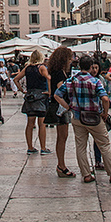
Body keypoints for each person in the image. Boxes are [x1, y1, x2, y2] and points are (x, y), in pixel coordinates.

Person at [55, 55, 111, 184]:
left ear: (79, 66)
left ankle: (86, 175)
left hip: (77, 117)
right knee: (104, 145)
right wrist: (105, 112)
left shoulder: (71, 80)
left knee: (81, 147)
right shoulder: (94, 81)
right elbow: (105, 99)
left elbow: (57, 94)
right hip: (94, 118)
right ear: (90, 66)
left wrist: (68, 107)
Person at [46, 46, 76, 178]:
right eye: (70, 58)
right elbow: (60, 89)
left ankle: (61, 164)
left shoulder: (57, 71)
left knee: (62, 137)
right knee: (62, 137)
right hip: (61, 107)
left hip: (59, 106)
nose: (71, 61)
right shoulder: (59, 73)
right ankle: (61, 165)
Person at [14, 50, 51, 155]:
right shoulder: (42, 68)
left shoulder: (27, 68)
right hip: (40, 96)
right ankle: (43, 148)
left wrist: (22, 90)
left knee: (30, 124)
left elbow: (16, 79)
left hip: (30, 96)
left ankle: (30, 147)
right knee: (41, 124)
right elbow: (48, 78)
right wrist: (49, 92)